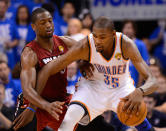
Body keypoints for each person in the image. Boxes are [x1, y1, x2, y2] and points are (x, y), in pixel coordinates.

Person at [36, 16, 158, 131]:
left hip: (120, 89)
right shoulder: (87, 45)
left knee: (140, 121)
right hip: (93, 88)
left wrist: (140, 91)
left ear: (113, 34)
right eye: (95, 36)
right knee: (67, 121)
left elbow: (153, 80)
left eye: (103, 37)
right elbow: (56, 60)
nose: (98, 41)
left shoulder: (125, 44)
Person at [13, 7, 82, 131]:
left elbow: (88, 52)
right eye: (43, 23)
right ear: (33, 27)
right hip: (35, 103)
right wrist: (45, 105)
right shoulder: (30, 53)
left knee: (96, 122)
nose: (48, 25)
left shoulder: (64, 42)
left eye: (50, 21)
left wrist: (86, 74)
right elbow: (27, 89)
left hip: (59, 101)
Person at [122, 20, 149, 87]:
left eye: (129, 28)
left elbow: (143, 67)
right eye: (125, 28)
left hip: (135, 84)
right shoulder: (118, 44)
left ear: (134, 30)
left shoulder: (140, 45)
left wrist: (139, 85)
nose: (127, 30)